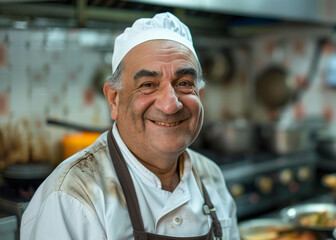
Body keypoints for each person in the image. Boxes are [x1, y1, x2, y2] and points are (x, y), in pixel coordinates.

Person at [20, 12, 240, 240]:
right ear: (114, 99)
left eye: (184, 83)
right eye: (148, 85)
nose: (170, 105)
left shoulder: (210, 176)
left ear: (199, 96)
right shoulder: (73, 198)